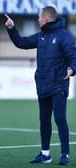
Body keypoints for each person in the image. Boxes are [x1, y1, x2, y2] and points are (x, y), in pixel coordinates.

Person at [5, 6, 76, 165]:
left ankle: (65, 154)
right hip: (43, 86)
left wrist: (72, 69)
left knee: (59, 119)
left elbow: (73, 56)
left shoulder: (64, 36)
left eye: (39, 17)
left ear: (46, 18)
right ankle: (45, 155)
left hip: (59, 85)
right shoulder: (41, 36)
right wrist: (12, 29)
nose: (37, 19)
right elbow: (21, 42)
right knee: (44, 120)